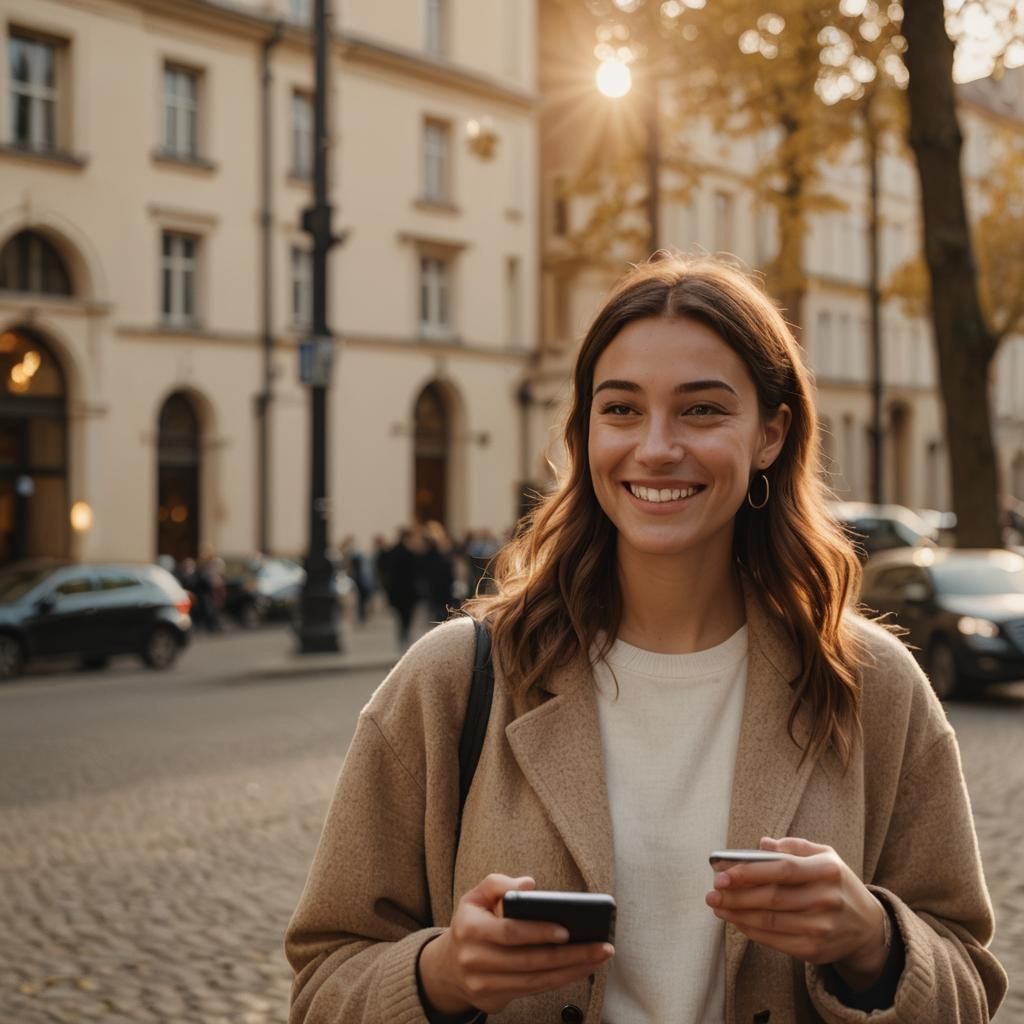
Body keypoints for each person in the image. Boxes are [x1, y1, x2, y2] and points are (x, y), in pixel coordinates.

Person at [285, 255, 1006, 1023]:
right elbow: (325, 979)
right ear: (585, 432)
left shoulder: (872, 684)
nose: (657, 447)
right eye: (622, 409)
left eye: (701, 410)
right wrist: (444, 975)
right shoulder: (454, 681)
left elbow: (966, 978)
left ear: (770, 433)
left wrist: (872, 943)